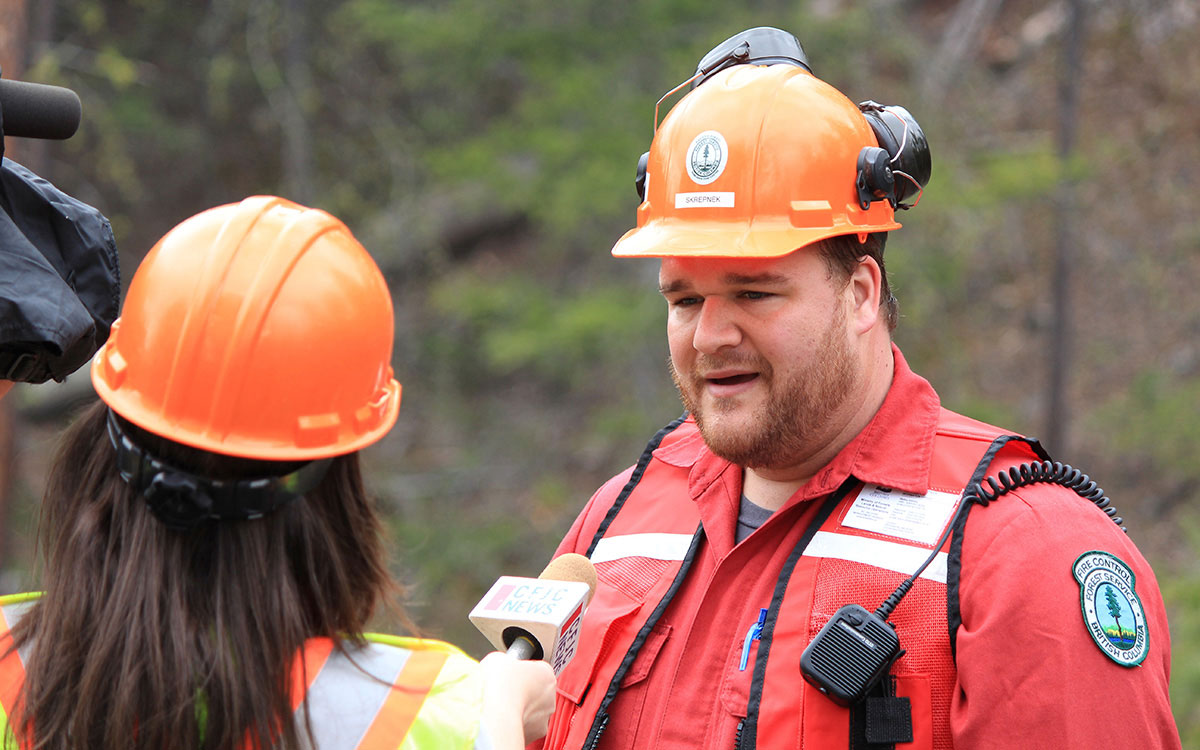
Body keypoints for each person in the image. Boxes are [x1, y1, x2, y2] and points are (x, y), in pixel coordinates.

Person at [536, 27, 1180, 750]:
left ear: (861, 293)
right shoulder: (619, 519)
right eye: (684, 300)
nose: (709, 336)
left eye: (753, 292)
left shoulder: (1021, 549)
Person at [0, 196, 554, 750]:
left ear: (103, 445)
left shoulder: (10, 669)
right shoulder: (431, 714)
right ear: (334, 492)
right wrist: (503, 706)